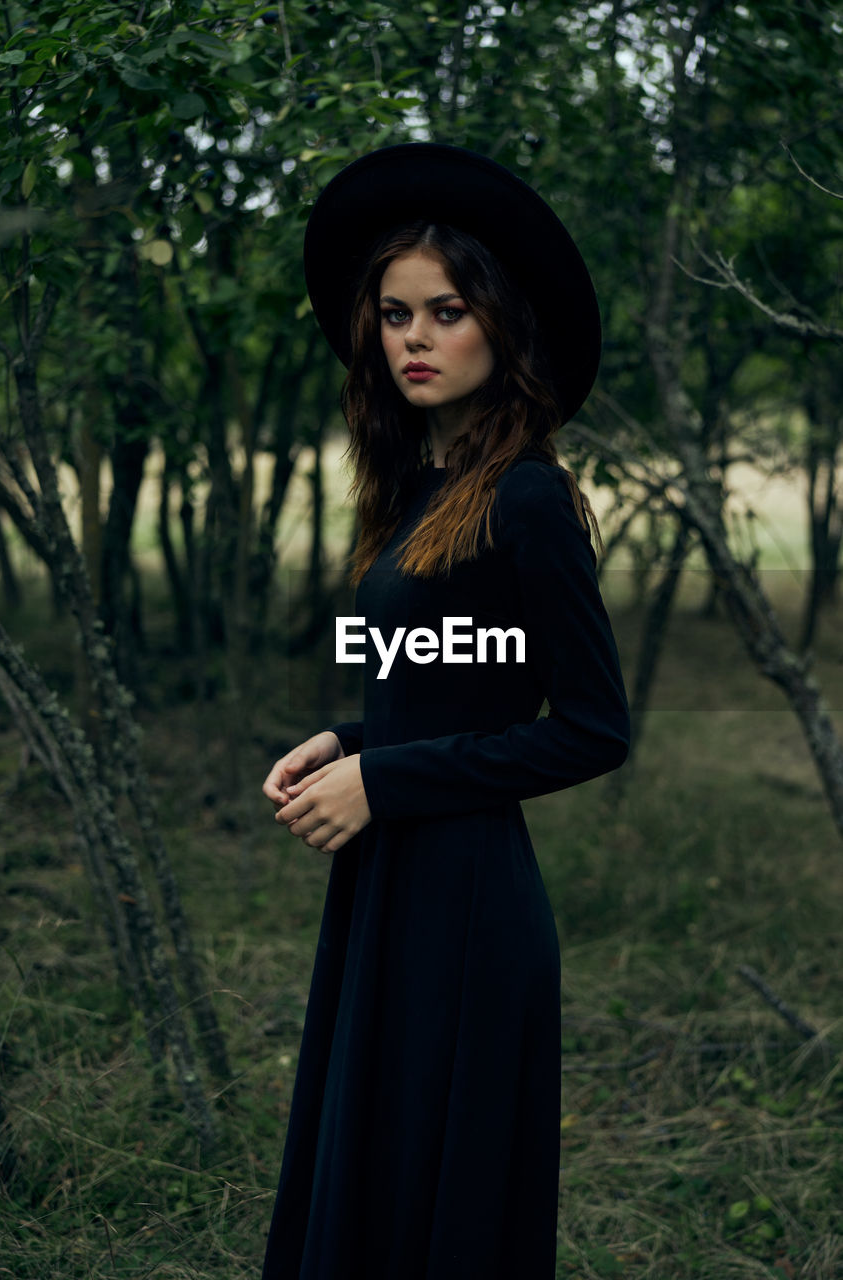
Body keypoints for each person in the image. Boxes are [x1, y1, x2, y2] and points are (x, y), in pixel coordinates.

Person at [260, 143, 631, 1280]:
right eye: (393, 314)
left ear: (500, 325)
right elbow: (452, 681)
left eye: (446, 311)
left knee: (439, 1191)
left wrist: (384, 780)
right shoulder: (423, 485)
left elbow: (590, 724)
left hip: (467, 898)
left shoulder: (526, 495)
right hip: (388, 880)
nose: (413, 337)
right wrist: (351, 738)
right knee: (373, 1168)